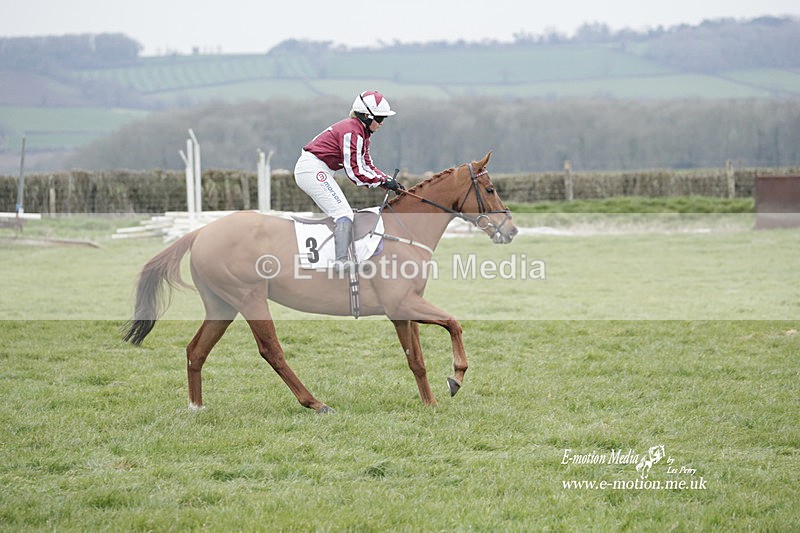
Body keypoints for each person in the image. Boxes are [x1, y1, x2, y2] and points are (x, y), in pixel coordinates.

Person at [294, 90, 404, 271]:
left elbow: (367, 165)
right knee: (343, 214)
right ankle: (341, 261)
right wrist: (382, 183)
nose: (382, 124)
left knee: (343, 213)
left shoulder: (361, 134)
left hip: (319, 169)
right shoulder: (352, 131)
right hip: (312, 169)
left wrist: (387, 179)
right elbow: (355, 173)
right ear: (367, 116)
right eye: (380, 118)